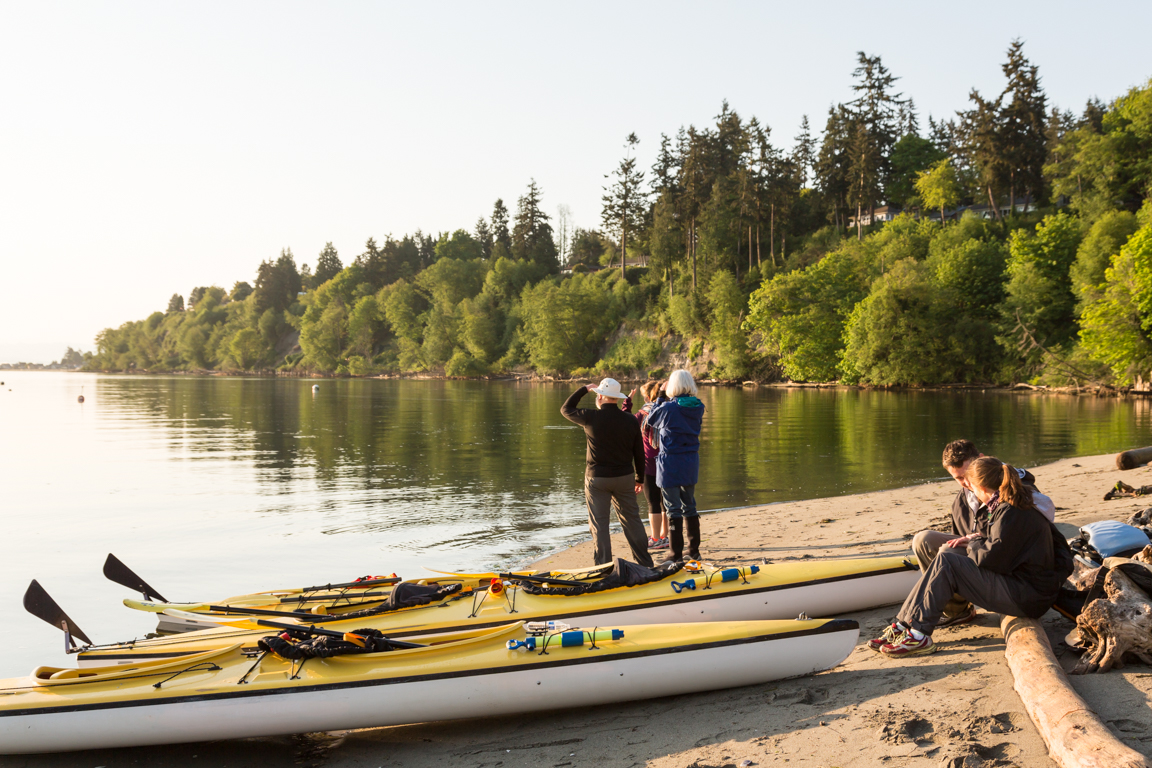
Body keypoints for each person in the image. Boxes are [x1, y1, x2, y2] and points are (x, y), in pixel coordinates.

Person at [872, 456, 1074, 657]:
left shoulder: (1011, 511)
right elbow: (1002, 547)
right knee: (949, 553)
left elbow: (990, 559)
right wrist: (974, 539)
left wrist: (975, 541)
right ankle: (903, 624)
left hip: (1028, 596)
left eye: (973, 488)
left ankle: (918, 634)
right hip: (1024, 586)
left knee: (947, 561)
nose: (972, 493)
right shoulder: (1011, 504)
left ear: (982, 488)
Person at [909, 439, 1056, 626]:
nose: (965, 483)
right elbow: (960, 536)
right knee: (923, 540)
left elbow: (1004, 544)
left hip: (1004, 565)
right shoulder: (961, 500)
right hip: (981, 552)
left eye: (967, 475)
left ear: (981, 459)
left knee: (948, 553)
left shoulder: (1015, 492)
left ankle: (916, 625)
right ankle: (957, 610)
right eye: (958, 478)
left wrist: (974, 543)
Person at [561, 378, 654, 567]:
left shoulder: (590, 417)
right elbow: (639, 452)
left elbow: (566, 409)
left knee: (600, 525)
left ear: (601, 396)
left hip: (597, 479)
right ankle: (645, 563)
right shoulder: (630, 420)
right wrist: (639, 478)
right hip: (625, 478)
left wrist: (585, 389)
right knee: (632, 521)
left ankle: (604, 567)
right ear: (617, 399)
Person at [646, 370, 705, 562]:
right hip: (690, 460)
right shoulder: (698, 406)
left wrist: (660, 397)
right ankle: (693, 550)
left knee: (672, 508)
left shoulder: (670, 408)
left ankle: (675, 553)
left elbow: (651, 419)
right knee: (689, 505)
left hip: (670, 461)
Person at [629, 380, 668, 550]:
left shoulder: (644, 412)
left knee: (653, 501)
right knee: (666, 502)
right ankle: (665, 537)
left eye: (645, 394)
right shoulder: (669, 409)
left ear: (649, 395)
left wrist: (627, 402)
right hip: (668, 461)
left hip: (650, 462)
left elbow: (627, 424)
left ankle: (655, 538)